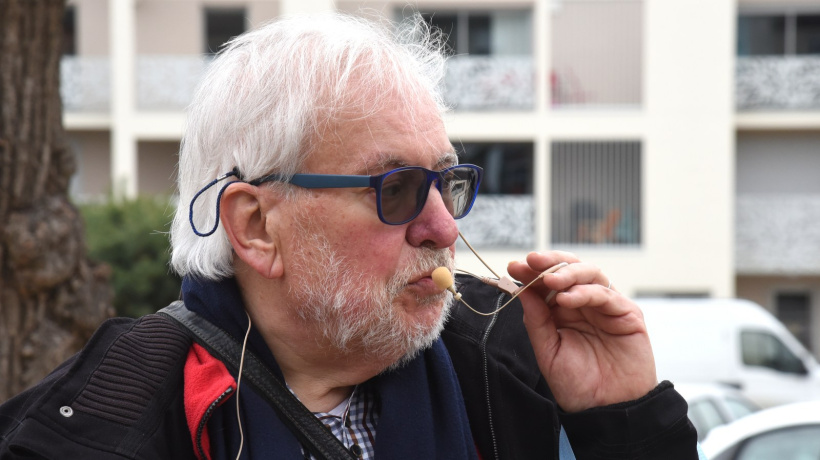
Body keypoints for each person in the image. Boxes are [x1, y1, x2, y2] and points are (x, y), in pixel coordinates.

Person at [0, 13, 700, 460]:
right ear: (256, 226)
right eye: (394, 189)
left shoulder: (508, 364)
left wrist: (624, 420)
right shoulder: (97, 423)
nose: (444, 228)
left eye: (447, 184)